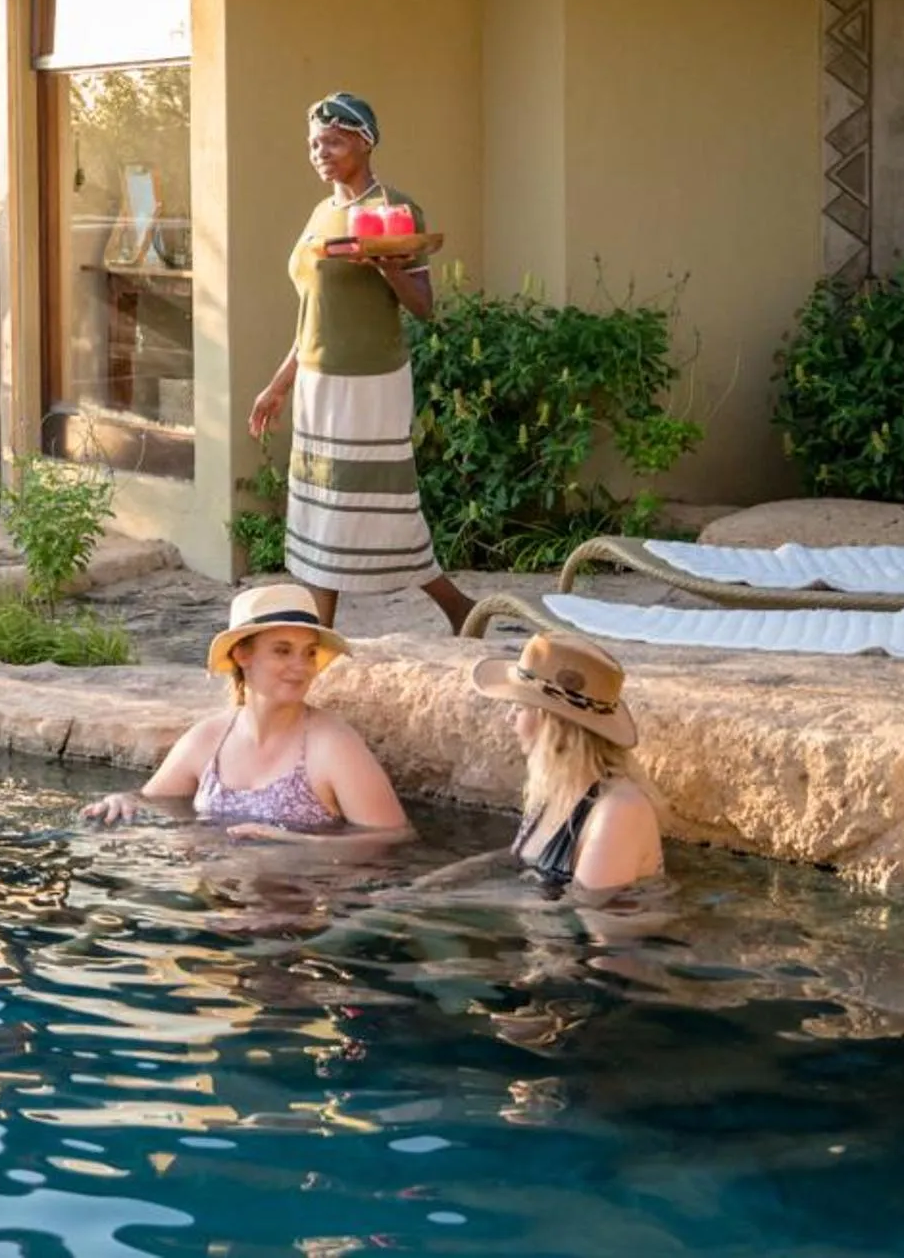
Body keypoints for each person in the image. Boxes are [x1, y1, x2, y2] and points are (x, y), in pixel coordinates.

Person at [247, 91, 474, 634]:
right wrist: (279, 385)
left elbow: (423, 307)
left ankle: (454, 606)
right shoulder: (321, 213)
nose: (319, 153)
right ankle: (325, 632)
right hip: (318, 382)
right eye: (314, 144)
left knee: (380, 508)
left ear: (365, 143)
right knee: (322, 508)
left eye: (333, 142)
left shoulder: (395, 209)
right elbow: (314, 312)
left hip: (370, 382)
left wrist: (387, 265)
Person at [80, 584, 411, 847]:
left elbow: (395, 838)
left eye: (309, 653)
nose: (300, 667)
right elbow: (150, 801)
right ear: (242, 655)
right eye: (282, 650)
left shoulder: (332, 745)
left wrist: (302, 845)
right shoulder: (208, 739)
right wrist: (121, 800)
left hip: (298, 904)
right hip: (219, 902)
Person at [471, 631, 663, 892]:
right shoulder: (558, 786)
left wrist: (464, 901)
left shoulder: (619, 811)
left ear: (556, 726)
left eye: (520, 707)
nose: (509, 718)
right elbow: (524, 859)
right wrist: (439, 884)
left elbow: (590, 908)